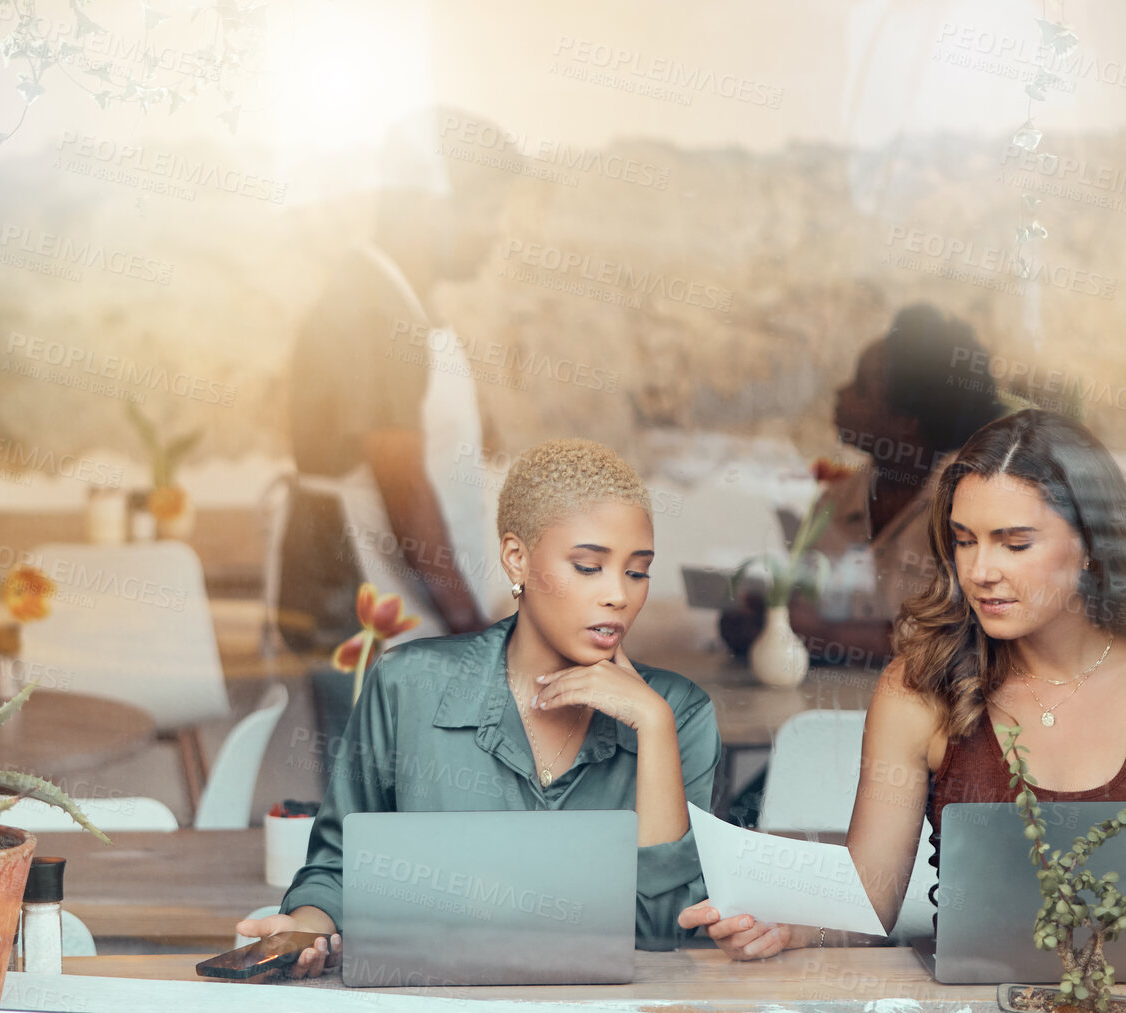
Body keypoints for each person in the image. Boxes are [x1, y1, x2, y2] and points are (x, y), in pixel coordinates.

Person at [682, 410, 1126, 959]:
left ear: (1094, 544)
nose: (980, 571)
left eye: (1015, 544)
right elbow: (867, 902)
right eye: (965, 540)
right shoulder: (918, 688)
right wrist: (787, 925)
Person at [240, 439, 722, 972]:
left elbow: (662, 930)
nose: (619, 596)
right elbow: (339, 867)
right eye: (588, 566)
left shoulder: (680, 713)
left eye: (637, 571)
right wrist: (308, 926)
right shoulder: (408, 685)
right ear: (516, 556)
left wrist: (654, 727)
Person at [279, 108, 516, 654]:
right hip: (377, 619)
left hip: (412, 618)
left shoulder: (402, 300)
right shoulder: (372, 311)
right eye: (488, 211)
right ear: (434, 210)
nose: (495, 233)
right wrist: (470, 630)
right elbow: (403, 485)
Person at [721, 304, 1008, 668]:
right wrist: (764, 618)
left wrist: (825, 636)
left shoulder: (966, 504)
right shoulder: (836, 502)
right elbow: (804, 603)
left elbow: (963, 637)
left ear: (906, 422)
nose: (841, 393)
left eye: (861, 386)